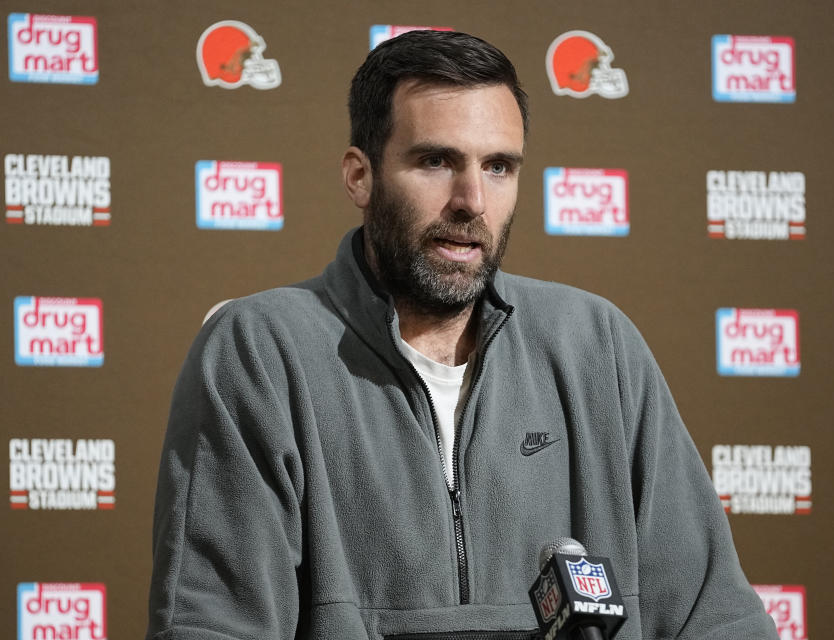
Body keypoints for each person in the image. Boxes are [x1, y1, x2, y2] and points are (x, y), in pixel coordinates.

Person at [146, 30, 778, 640]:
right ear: (360, 177)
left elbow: (715, 616)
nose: (471, 199)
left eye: (499, 166)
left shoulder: (598, 345)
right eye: (435, 161)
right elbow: (213, 625)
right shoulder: (260, 350)